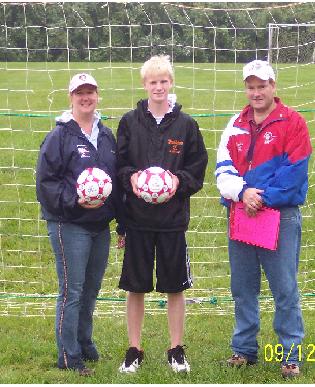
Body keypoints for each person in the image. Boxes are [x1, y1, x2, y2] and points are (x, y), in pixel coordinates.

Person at [215, 60, 312, 378]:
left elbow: (295, 173)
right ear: (246, 88)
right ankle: (244, 350)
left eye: (262, 85)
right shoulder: (236, 123)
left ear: (273, 86)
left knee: (284, 288)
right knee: (243, 287)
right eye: (251, 86)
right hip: (241, 212)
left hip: (279, 216)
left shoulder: (293, 122)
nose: (256, 92)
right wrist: (242, 193)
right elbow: (223, 166)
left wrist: (262, 197)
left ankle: (291, 354)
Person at [116, 55, 208, 373]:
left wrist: (177, 183)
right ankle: (134, 349)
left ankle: (175, 348)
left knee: (175, 286)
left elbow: (197, 167)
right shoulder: (130, 121)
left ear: (171, 83)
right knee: (136, 286)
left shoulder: (186, 125)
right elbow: (120, 164)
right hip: (137, 219)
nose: (158, 87)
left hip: (172, 221)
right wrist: (133, 178)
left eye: (163, 81)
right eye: (152, 81)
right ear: (144, 85)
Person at [36, 73, 125, 376]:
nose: (85, 98)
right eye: (79, 93)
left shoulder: (107, 136)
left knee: (90, 289)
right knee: (72, 290)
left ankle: (84, 342)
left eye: (90, 92)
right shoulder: (59, 136)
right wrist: (75, 201)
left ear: (98, 95)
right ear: (70, 97)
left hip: (100, 226)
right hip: (69, 223)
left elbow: (116, 183)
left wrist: (121, 222)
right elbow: (45, 185)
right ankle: (68, 355)